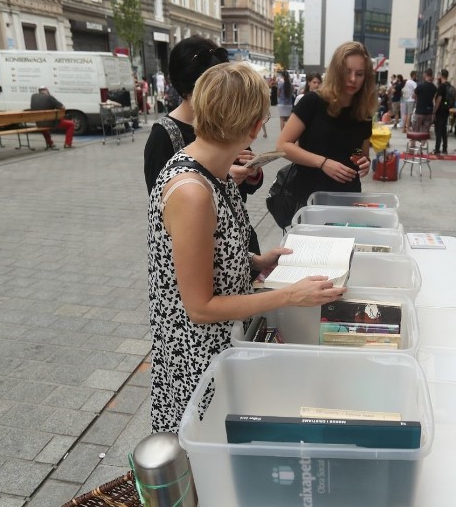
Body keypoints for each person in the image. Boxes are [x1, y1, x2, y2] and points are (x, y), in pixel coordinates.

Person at [147, 62, 345, 433]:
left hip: (219, 347)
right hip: (199, 359)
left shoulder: (214, 173)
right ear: (255, 125)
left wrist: (256, 260)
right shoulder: (192, 192)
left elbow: (209, 251)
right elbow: (200, 308)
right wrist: (289, 296)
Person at [143, 36, 265, 274]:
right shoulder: (164, 137)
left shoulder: (228, 122)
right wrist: (218, 177)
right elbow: (165, 205)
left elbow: (246, 181)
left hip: (235, 243)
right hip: (204, 256)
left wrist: (251, 173)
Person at [272, 41, 375, 212]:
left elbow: (359, 152)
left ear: (366, 77)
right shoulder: (313, 102)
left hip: (348, 197)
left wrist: (364, 162)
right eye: (347, 71)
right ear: (336, 71)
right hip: (310, 197)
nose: (352, 79)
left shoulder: (363, 111)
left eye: (359, 74)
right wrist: (323, 163)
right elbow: (282, 146)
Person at [432, 69, 453, 154]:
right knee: (444, 130)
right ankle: (444, 148)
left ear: (441, 75)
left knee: (438, 130)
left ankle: (437, 149)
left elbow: (439, 99)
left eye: (438, 75)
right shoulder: (449, 85)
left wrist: (434, 111)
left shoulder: (441, 86)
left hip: (440, 110)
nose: (437, 77)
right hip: (446, 109)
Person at [412, 68, 436, 133]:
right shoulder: (434, 87)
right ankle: (422, 143)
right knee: (425, 131)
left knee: (415, 130)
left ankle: (413, 143)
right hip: (429, 112)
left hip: (419, 111)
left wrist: (419, 97)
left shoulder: (420, 86)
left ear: (425, 75)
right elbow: (434, 99)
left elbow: (413, 96)